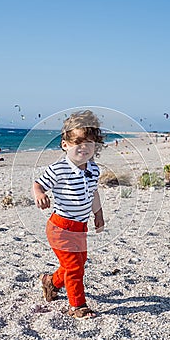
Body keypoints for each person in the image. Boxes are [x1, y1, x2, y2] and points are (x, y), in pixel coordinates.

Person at [33, 110, 105, 319]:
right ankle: (77, 306)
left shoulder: (93, 169)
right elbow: (38, 184)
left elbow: (93, 193)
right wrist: (39, 195)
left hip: (80, 227)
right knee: (74, 267)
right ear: (65, 144)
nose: (83, 147)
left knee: (76, 262)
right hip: (60, 228)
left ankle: (50, 282)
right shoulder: (58, 169)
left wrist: (98, 214)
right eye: (77, 142)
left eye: (89, 142)